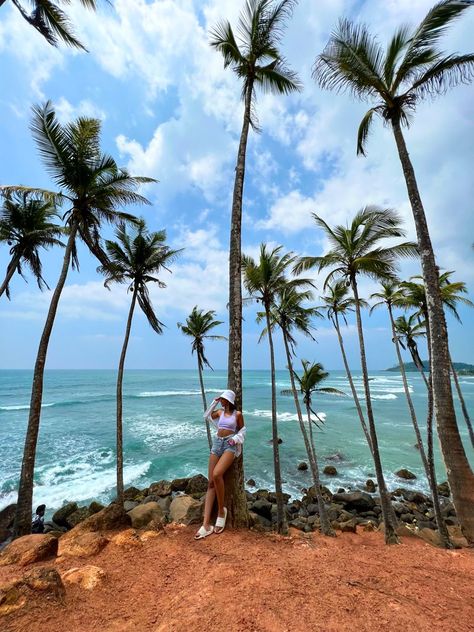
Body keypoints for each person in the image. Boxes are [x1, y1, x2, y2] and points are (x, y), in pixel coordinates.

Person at [194, 389, 246, 539]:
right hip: (217, 443)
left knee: (217, 474)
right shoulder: (219, 412)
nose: (222, 401)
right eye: (221, 399)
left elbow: (242, 430)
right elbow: (207, 415)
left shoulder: (238, 415)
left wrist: (235, 440)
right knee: (211, 483)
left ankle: (221, 511)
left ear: (229, 400)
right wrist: (214, 402)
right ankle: (205, 524)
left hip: (230, 445)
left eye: (223, 399)